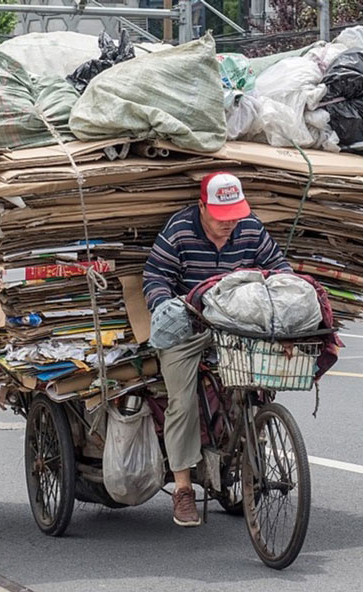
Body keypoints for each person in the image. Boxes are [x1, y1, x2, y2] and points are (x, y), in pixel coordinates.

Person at [142, 172, 292, 527]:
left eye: (234, 217)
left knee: (258, 384)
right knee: (181, 400)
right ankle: (183, 489)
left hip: (238, 325)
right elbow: (155, 277)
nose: (229, 225)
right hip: (190, 326)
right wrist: (167, 307)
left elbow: (281, 270)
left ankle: (246, 446)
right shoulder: (179, 229)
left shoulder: (251, 229)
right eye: (221, 218)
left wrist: (287, 306)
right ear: (202, 207)